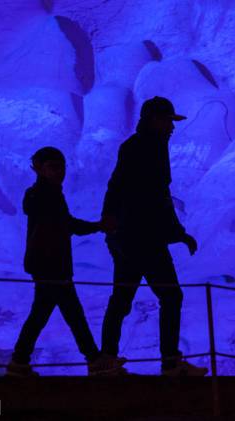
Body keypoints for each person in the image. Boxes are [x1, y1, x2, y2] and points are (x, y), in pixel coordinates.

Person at [100, 96, 208, 376]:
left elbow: (119, 187)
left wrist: (111, 226)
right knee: (171, 296)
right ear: (154, 120)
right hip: (143, 238)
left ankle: (107, 361)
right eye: (168, 121)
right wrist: (179, 234)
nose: (172, 127)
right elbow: (157, 198)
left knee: (122, 299)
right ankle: (170, 362)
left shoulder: (139, 146)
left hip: (129, 236)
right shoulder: (148, 148)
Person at [7, 146, 126, 377]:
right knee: (71, 313)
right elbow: (68, 225)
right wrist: (99, 226)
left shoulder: (44, 193)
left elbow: (64, 224)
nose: (59, 171)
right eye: (53, 167)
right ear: (39, 169)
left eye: (61, 166)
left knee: (44, 314)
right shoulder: (48, 194)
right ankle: (94, 360)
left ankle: (19, 362)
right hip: (52, 264)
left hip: (46, 264)